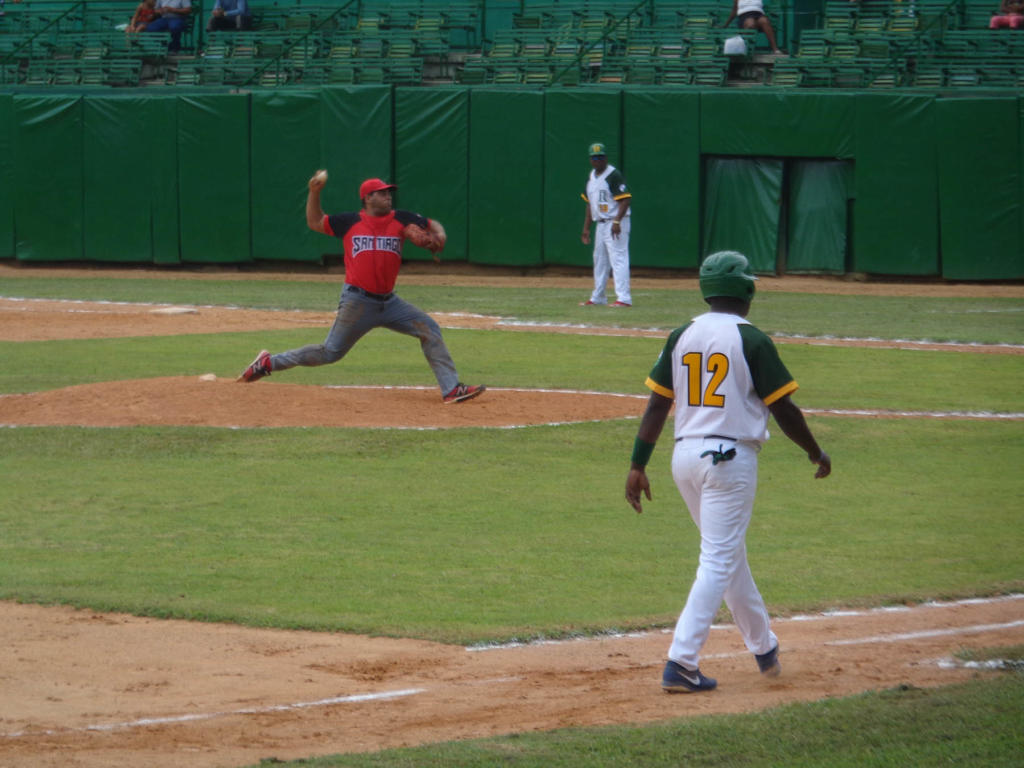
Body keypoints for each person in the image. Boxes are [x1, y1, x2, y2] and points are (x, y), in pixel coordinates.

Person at [624, 250, 831, 693]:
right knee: (718, 559)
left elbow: (659, 403)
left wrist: (638, 463)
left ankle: (764, 649)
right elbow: (785, 408)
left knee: (727, 555)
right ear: (748, 289)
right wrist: (815, 451)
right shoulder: (751, 339)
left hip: (684, 459)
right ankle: (681, 662)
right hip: (728, 462)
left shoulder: (683, 333)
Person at [238, 171, 485, 406]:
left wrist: (439, 237)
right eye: (382, 192)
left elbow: (434, 225)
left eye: (389, 192)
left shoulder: (402, 218)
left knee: (429, 328)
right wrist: (314, 192)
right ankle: (268, 363)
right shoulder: (349, 222)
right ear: (367, 198)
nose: (388, 196)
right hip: (358, 302)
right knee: (329, 353)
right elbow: (314, 221)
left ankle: (451, 389)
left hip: (390, 303)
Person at [580, 142, 632, 308]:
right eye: (595, 157)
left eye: (601, 157)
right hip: (601, 223)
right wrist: (586, 228)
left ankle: (624, 298)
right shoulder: (591, 177)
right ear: (590, 159)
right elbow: (589, 204)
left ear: (605, 158)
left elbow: (625, 199)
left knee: (618, 258)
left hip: (616, 221)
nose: (598, 160)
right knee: (600, 260)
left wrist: (617, 221)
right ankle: (598, 297)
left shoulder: (613, 175)